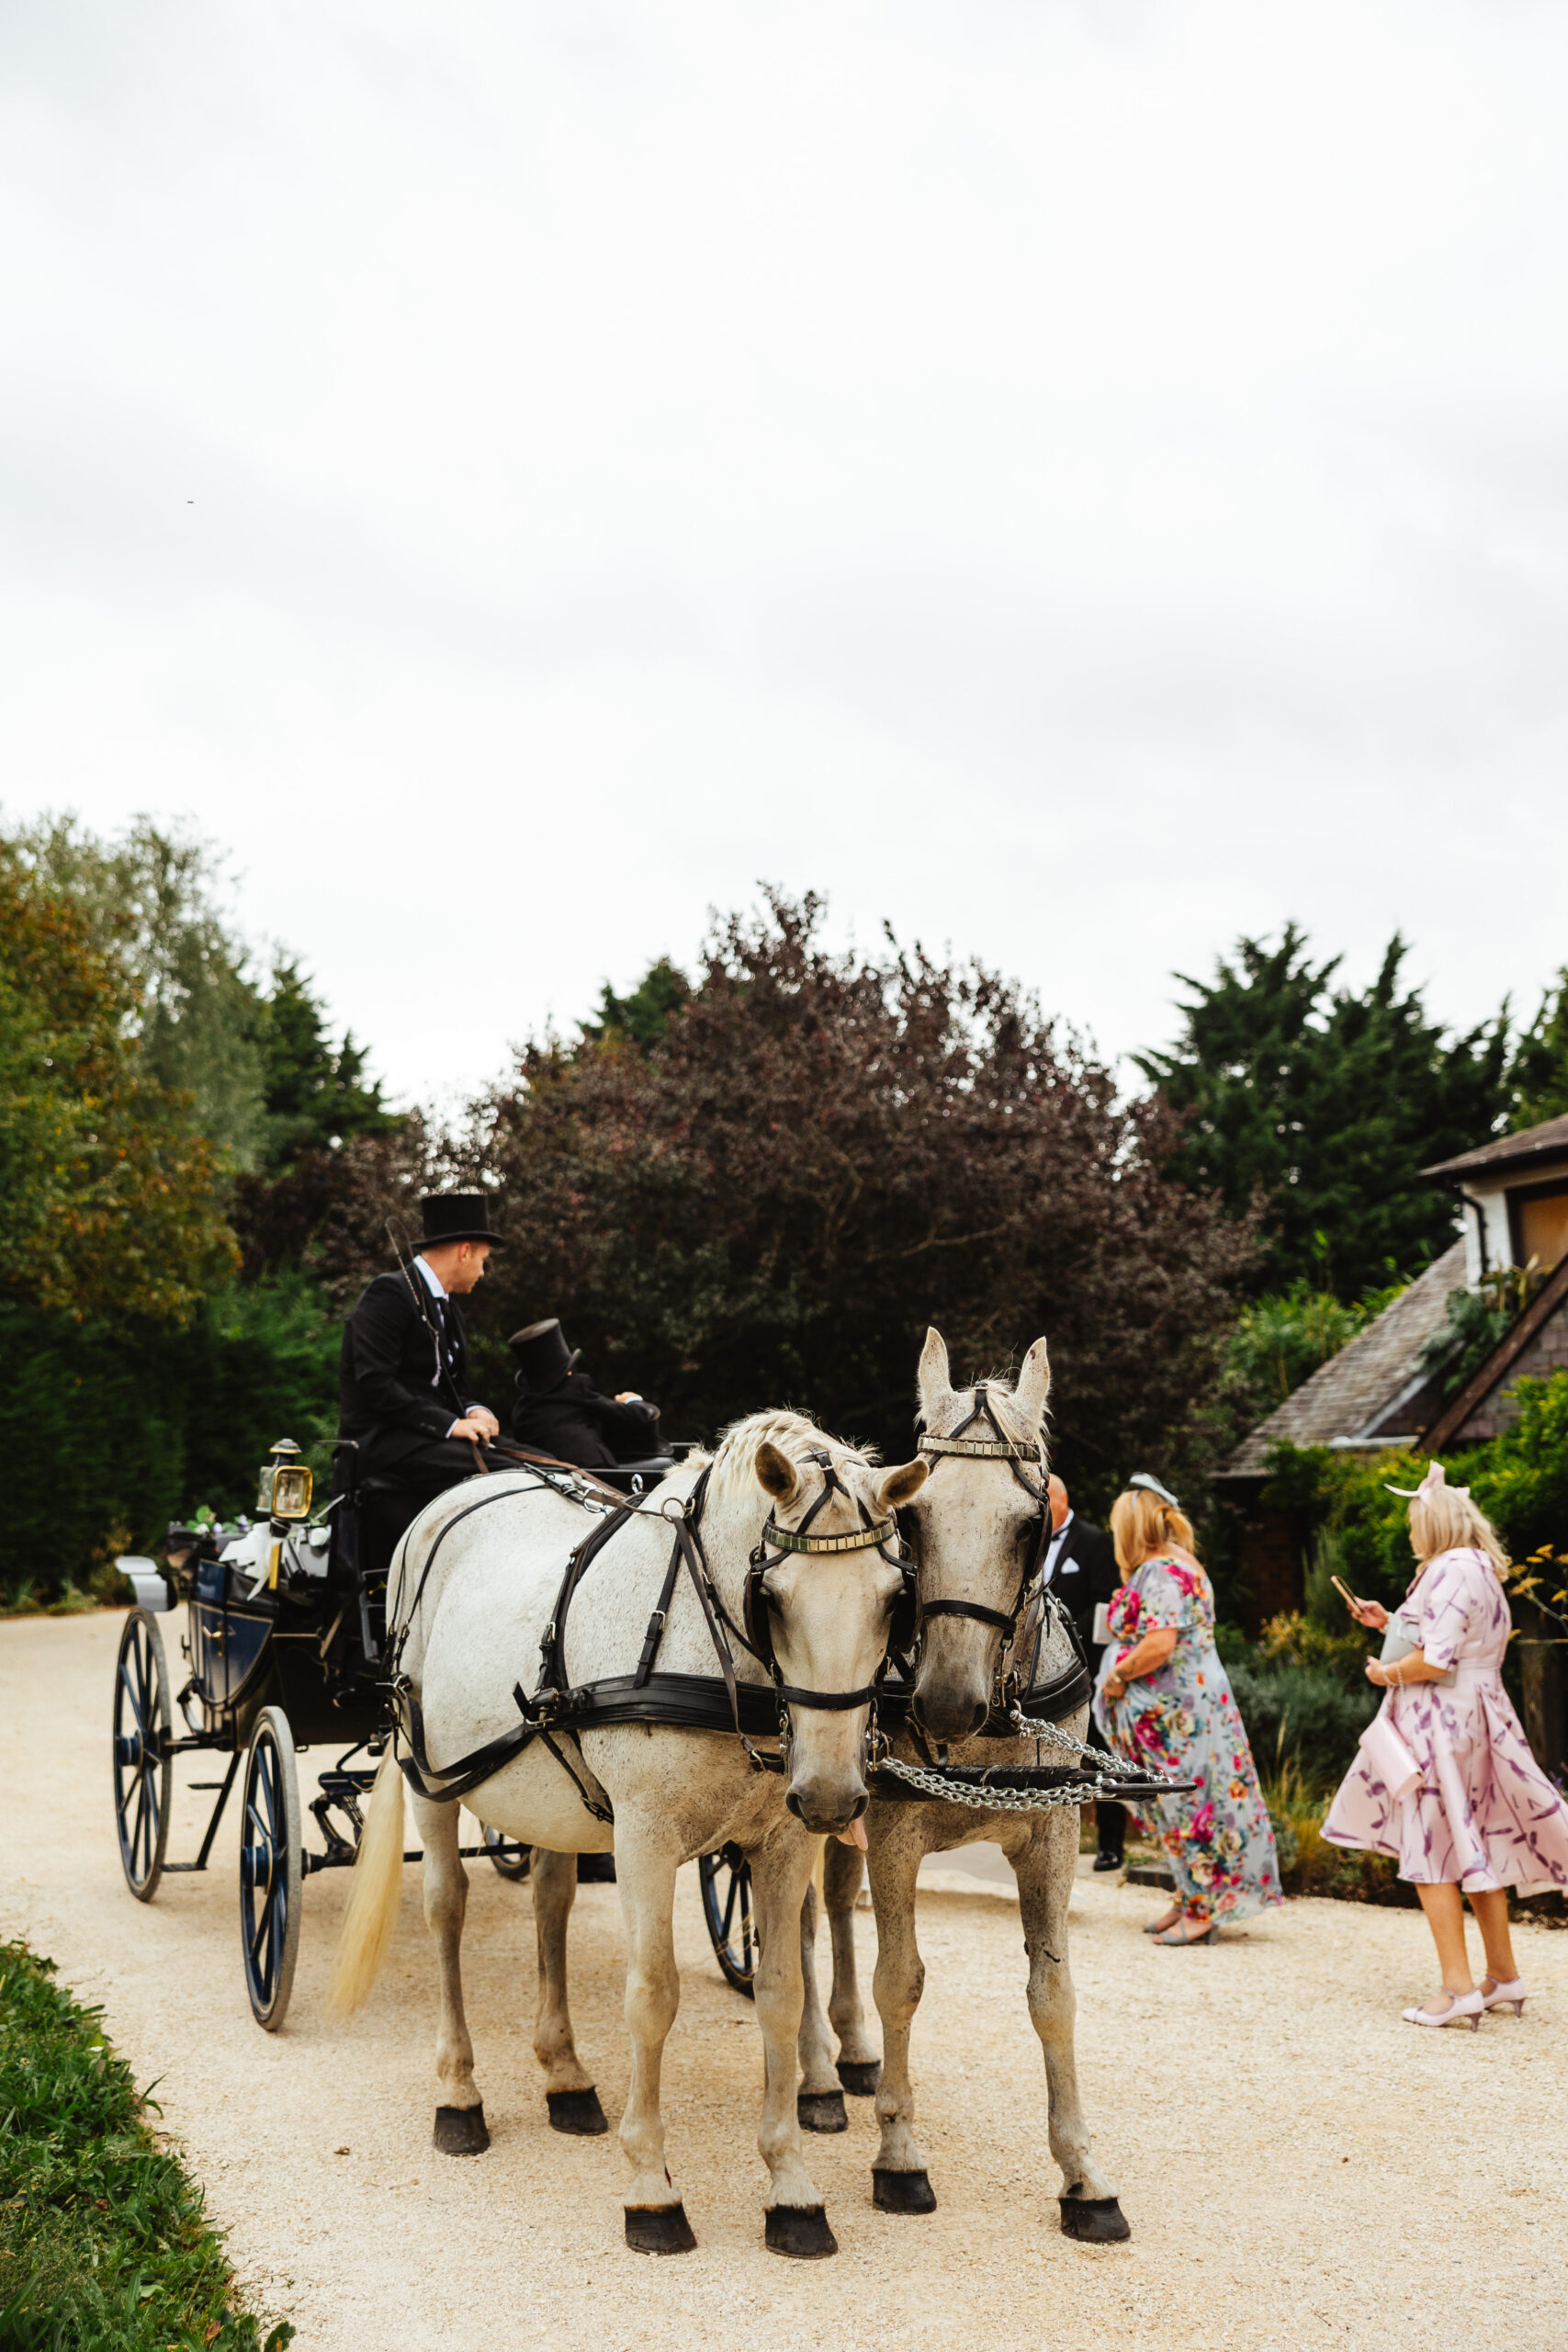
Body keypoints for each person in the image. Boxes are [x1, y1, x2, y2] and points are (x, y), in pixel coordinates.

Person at [1323, 1461, 1568, 2028]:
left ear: (1432, 1526)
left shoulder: (1448, 1570)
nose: (1411, 1533)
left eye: (1414, 1523)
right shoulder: (1478, 1568)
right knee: (1472, 1843)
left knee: (1433, 1849)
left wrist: (1385, 1675)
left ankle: (1458, 1989)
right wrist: (1388, 1620)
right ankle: (1503, 1976)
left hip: (1441, 1725)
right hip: (1478, 1717)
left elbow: (1435, 1661)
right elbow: (1441, 1637)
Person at [1096, 1473, 1281, 1944]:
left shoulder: (1159, 1571)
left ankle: (1202, 1909)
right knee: (1188, 1801)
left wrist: (1117, 1676)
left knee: (1187, 1803)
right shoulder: (1181, 1560)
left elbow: (1160, 1644)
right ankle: (1187, 1895)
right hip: (1191, 1705)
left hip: (1176, 1716)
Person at [336, 1193, 508, 1546]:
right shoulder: (387, 1294)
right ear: (464, 1251)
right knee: (517, 1476)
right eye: (483, 1260)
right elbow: (376, 1386)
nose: (482, 1271)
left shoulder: (448, 1308)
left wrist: (473, 1409)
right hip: (385, 1444)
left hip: (429, 1442)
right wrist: (451, 1425)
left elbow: (450, 1387)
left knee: (547, 1464)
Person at [1042, 1474, 1126, 1871]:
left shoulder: (1095, 1541)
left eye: (1047, 1499)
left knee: (1099, 1749)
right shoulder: (1030, 1536)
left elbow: (1108, 1604)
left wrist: (1066, 1626)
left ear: (1065, 1499)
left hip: (1083, 1668)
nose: (1041, 1506)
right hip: (1033, 1674)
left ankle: (1111, 1845)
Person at [508, 1317, 665, 1472]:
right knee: (666, 1465)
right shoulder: (575, 1388)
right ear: (565, 1371)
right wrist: (633, 1401)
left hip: (551, 1479)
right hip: (596, 1474)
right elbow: (638, 1417)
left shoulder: (521, 1411)